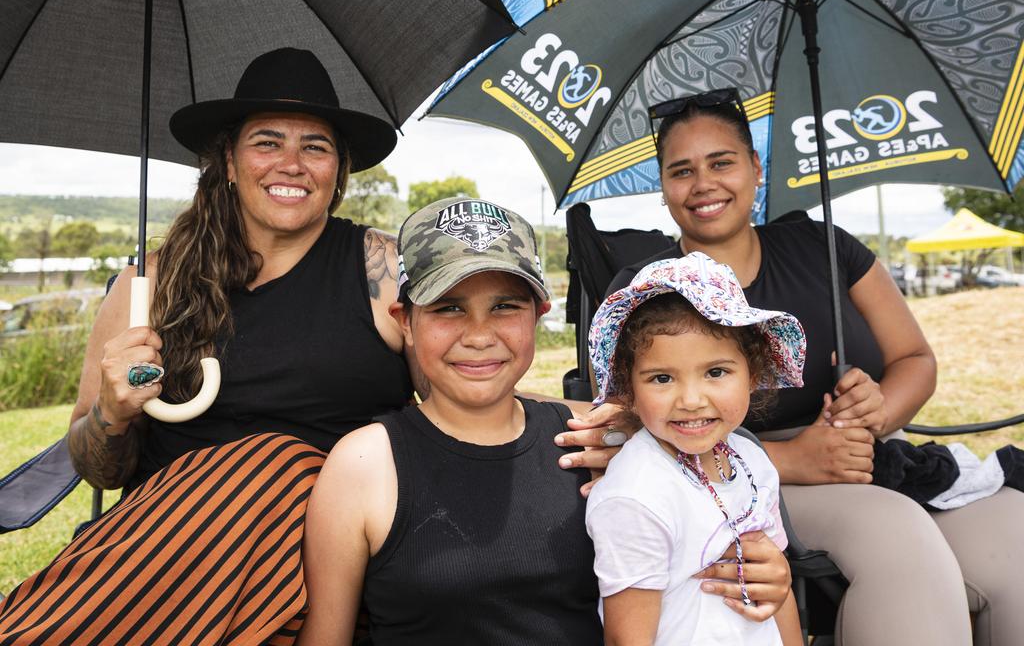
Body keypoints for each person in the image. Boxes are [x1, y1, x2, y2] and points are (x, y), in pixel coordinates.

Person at [0, 49, 615, 645]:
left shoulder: (381, 270)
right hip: (172, 560)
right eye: (268, 142)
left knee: (280, 466)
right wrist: (111, 413)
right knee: (257, 469)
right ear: (231, 161)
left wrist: (587, 423)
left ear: (338, 172)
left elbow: (469, 380)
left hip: (332, 545)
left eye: (314, 146)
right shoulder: (148, 288)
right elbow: (95, 467)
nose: (291, 163)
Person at [608, 88, 1024, 646]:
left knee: (1014, 534)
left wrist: (876, 412)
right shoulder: (646, 291)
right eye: (681, 170)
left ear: (755, 168)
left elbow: (914, 359)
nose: (704, 183)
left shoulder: (823, 246)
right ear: (664, 188)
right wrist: (790, 458)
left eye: (722, 162)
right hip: (736, 476)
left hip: (868, 454)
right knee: (898, 544)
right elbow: (614, 420)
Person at [297, 199, 795, 646]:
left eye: (504, 307)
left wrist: (768, 572)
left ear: (538, 313)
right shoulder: (365, 466)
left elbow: (711, 526)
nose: (478, 335)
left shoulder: (604, 441)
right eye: (449, 308)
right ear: (404, 320)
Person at [586, 254, 802, 646]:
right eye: (662, 378)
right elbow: (627, 639)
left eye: (715, 372)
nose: (690, 399)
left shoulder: (752, 460)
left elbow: (775, 588)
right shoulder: (637, 495)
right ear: (628, 388)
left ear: (752, 374)